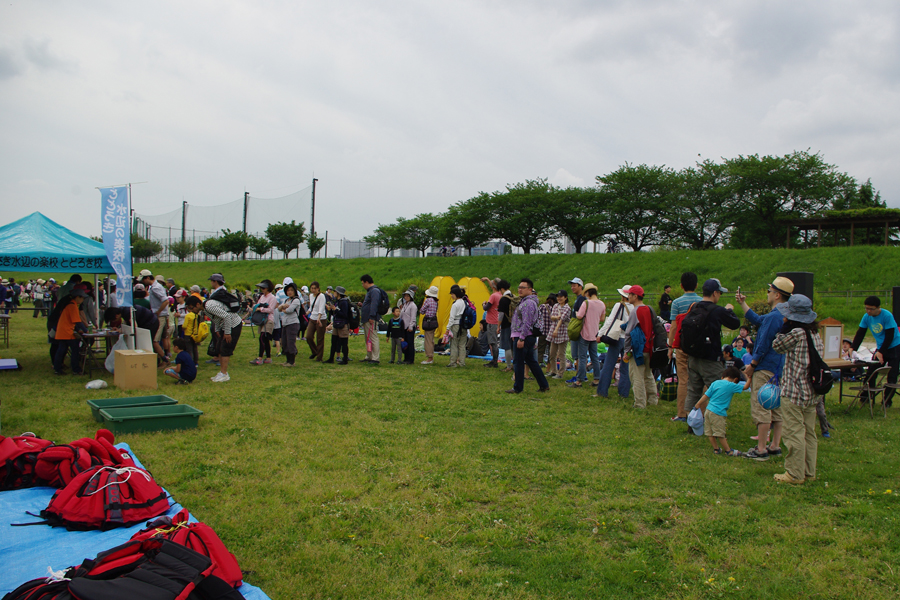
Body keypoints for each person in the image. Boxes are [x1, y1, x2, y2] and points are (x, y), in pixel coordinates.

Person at [736, 276, 792, 461]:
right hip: (780, 368)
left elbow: (763, 343)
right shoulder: (785, 314)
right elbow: (760, 320)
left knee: (762, 406)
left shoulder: (774, 316)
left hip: (765, 367)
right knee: (776, 407)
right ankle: (775, 445)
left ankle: (761, 449)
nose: (767, 294)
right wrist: (743, 304)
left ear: (776, 295)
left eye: (769, 291)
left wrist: (753, 365)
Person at [771, 294, 823, 484]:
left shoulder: (796, 333)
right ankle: (809, 471)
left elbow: (777, 345)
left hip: (794, 390)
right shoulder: (814, 333)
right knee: (809, 433)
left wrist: (785, 328)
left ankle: (794, 473)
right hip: (811, 391)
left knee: (794, 433)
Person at [683, 279, 741, 429]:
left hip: (693, 357)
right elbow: (735, 324)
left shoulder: (694, 307)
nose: (719, 296)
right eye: (720, 293)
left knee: (693, 390)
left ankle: (692, 423)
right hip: (710, 359)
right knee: (718, 391)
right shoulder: (717, 310)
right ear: (715, 293)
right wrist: (729, 310)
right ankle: (715, 425)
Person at [850, 295, 900, 408]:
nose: (868, 311)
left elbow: (890, 336)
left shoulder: (887, 316)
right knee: (871, 371)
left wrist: (881, 351)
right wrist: (853, 348)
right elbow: (860, 333)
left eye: (871, 309)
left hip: (894, 347)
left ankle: (887, 401)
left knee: (892, 375)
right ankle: (866, 395)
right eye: (866, 308)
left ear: (878, 308)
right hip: (880, 348)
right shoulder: (866, 317)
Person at [506, 278, 550, 394]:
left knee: (518, 362)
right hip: (527, 336)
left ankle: (518, 388)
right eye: (519, 287)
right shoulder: (526, 302)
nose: (520, 290)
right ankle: (543, 385)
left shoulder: (528, 303)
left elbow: (527, 322)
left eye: (523, 288)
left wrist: (521, 338)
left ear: (530, 289)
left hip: (524, 337)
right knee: (531, 362)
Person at [668, 272, 701, 422]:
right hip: (698, 346)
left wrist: (670, 346)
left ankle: (682, 413)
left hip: (681, 345)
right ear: (697, 285)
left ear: (681, 286)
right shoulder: (702, 302)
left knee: (683, 379)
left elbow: (674, 326)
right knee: (698, 379)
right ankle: (698, 411)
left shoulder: (677, 303)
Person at [695, 366, 748, 456]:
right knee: (720, 433)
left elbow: (706, 395)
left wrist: (698, 404)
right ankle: (728, 450)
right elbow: (746, 387)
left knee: (709, 432)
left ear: (722, 377)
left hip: (708, 410)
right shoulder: (731, 385)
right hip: (718, 412)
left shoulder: (715, 383)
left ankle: (716, 449)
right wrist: (749, 377)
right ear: (735, 379)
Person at [622, 285, 657, 409]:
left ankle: (640, 403)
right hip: (649, 346)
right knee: (648, 375)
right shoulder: (648, 309)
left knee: (637, 376)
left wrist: (627, 350)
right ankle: (653, 400)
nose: (628, 297)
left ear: (635, 296)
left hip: (638, 348)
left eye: (630, 295)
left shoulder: (635, 311)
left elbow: (628, 332)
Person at [595, 286, 633, 399]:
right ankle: (624, 392)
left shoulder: (619, 305)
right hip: (629, 339)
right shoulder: (635, 308)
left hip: (617, 337)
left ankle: (602, 391)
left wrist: (600, 334)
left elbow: (610, 321)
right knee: (626, 367)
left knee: (609, 365)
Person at [204, 273, 242, 382]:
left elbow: (225, 315)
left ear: (215, 282)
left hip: (231, 323)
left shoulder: (219, 293)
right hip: (225, 323)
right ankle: (222, 372)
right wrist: (217, 329)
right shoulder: (220, 292)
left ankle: (224, 373)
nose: (211, 283)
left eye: (212, 281)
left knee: (225, 348)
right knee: (220, 347)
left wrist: (227, 332)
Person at [570, 284, 605, 388]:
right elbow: (602, 319)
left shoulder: (586, 303)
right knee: (594, 357)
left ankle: (579, 380)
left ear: (588, 293)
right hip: (595, 334)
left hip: (585, 333)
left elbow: (579, 316)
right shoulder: (602, 304)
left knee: (582, 357)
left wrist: (577, 313)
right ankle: (596, 379)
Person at [53, 289, 87, 375]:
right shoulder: (72, 306)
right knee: (75, 350)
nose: (83, 300)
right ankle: (76, 369)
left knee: (61, 350)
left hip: (63, 331)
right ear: (77, 297)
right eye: (82, 298)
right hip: (67, 332)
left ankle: (57, 369)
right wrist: (86, 330)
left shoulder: (71, 304)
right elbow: (77, 321)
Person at [249, 280, 277, 365]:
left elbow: (270, 309)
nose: (262, 289)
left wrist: (261, 309)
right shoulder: (262, 297)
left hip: (268, 320)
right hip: (261, 320)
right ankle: (268, 358)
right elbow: (257, 305)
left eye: (263, 288)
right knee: (265, 339)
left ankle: (260, 358)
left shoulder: (272, 298)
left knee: (262, 338)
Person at [546, 291, 571, 379]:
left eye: (561, 297)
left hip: (562, 332)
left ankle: (560, 373)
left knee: (561, 354)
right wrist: (557, 317)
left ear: (565, 298)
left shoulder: (567, 308)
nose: (559, 298)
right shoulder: (556, 306)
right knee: (552, 353)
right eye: (558, 297)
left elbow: (562, 320)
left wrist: (556, 329)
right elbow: (552, 317)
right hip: (554, 331)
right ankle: (553, 371)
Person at [277, 282, 303, 367]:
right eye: (288, 290)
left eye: (291, 290)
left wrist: (284, 308)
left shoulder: (296, 300)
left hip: (293, 323)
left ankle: (292, 362)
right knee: (285, 342)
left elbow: (289, 310)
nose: (289, 292)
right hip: (285, 323)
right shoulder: (286, 300)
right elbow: (279, 309)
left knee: (291, 342)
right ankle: (287, 360)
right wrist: (283, 307)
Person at [325, 286, 352, 365]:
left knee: (344, 342)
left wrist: (335, 309)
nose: (334, 293)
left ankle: (345, 359)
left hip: (343, 324)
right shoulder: (337, 301)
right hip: (337, 323)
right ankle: (331, 358)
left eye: (335, 292)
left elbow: (344, 314)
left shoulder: (344, 302)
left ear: (339, 293)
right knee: (333, 341)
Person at [567, 277, 586, 384]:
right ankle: (579, 375)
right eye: (571, 285)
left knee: (578, 355)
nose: (572, 287)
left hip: (578, 330)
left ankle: (580, 376)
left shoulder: (582, 299)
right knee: (577, 355)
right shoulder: (578, 298)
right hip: (576, 329)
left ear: (580, 286)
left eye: (574, 285)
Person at [360, 274, 382, 365]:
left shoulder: (374, 291)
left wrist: (372, 316)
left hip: (371, 319)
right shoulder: (370, 291)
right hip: (367, 318)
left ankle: (375, 357)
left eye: (362, 283)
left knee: (373, 338)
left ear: (366, 282)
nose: (362, 285)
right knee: (368, 338)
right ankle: (369, 355)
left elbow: (374, 304)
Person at [481, 277, 502, 367]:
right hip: (496, 321)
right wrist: (487, 280)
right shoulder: (500, 294)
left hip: (491, 322)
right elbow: (493, 286)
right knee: (493, 341)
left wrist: (483, 304)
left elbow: (486, 308)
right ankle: (494, 361)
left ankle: (494, 361)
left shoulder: (493, 296)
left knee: (493, 342)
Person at [445, 285, 467, 368]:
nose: (451, 296)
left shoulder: (455, 305)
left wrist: (448, 328)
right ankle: (462, 362)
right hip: (463, 325)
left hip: (456, 325)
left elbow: (452, 318)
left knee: (454, 344)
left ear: (456, 294)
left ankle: (453, 363)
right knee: (462, 345)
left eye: (452, 294)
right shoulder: (464, 302)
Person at [306, 281, 328, 361]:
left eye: (315, 288)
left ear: (318, 288)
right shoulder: (311, 296)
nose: (313, 290)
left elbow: (321, 308)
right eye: (312, 288)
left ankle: (319, 357)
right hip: (312, 318)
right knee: (308, 336)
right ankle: (315, 351)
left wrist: (319, 318)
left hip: (321, 319)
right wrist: (307, 313)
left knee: (320, 338)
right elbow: (312, 307)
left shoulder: (322, 296)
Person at [182, 296, 205, 364]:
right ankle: (196, 362)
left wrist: (183, 329)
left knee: (189, 349)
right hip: (195, 334)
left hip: (188, 334)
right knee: (195, 348)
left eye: (190, 307)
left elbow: (184, 325)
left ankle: (190, 362)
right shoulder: (197, 315)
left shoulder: (188, 316)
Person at [419, 286, 439, 365]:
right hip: (434, 321)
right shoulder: (435, 301)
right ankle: (431, 356)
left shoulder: (428, 300)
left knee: (428, 340)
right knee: (431, 339)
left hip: (428, 321)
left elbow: (422, 311)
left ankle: (429, 357)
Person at [536, 293, 556, 367]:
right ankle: (549, 368)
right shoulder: (555, 308)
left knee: (540, 350)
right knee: (551, 352)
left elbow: (537, 317)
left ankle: (538, 366)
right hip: (551, 333)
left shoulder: (542, 306)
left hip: (542, 332)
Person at [497, 280, 513, 371]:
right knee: (513, 346)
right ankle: (515, 365)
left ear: (502, 288)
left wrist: (498, 326)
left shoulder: (503, 299)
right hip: (514, 325)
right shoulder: (513, 297)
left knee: (507, 346)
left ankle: (508, 366)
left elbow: (501, 314)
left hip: (506, 325)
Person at [399, 289, 417, 365]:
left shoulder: (413, 306)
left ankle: (410, 359)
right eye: (405, 296)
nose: (406, 297)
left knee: (410, 343)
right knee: (405, 343)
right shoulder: (405, 305)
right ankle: (406, 358)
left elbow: (413, 317)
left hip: (409, 327)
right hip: (404, 326)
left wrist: (411, 326)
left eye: (407, 296)